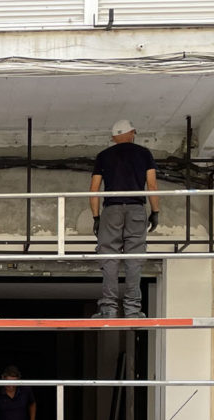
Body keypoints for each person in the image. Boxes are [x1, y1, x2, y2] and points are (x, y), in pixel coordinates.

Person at [89, 119, 160, 319]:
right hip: (137, 209)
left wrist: (96, 217)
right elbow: (152, 186)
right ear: (133, 133)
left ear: (113, 138)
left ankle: (109, 309)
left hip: (111, 209)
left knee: (109, 258)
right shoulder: (144, 154)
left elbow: (94, 190)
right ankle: (132, 310)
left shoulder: (103, 156)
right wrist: (155, 212)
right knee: (134, 259)